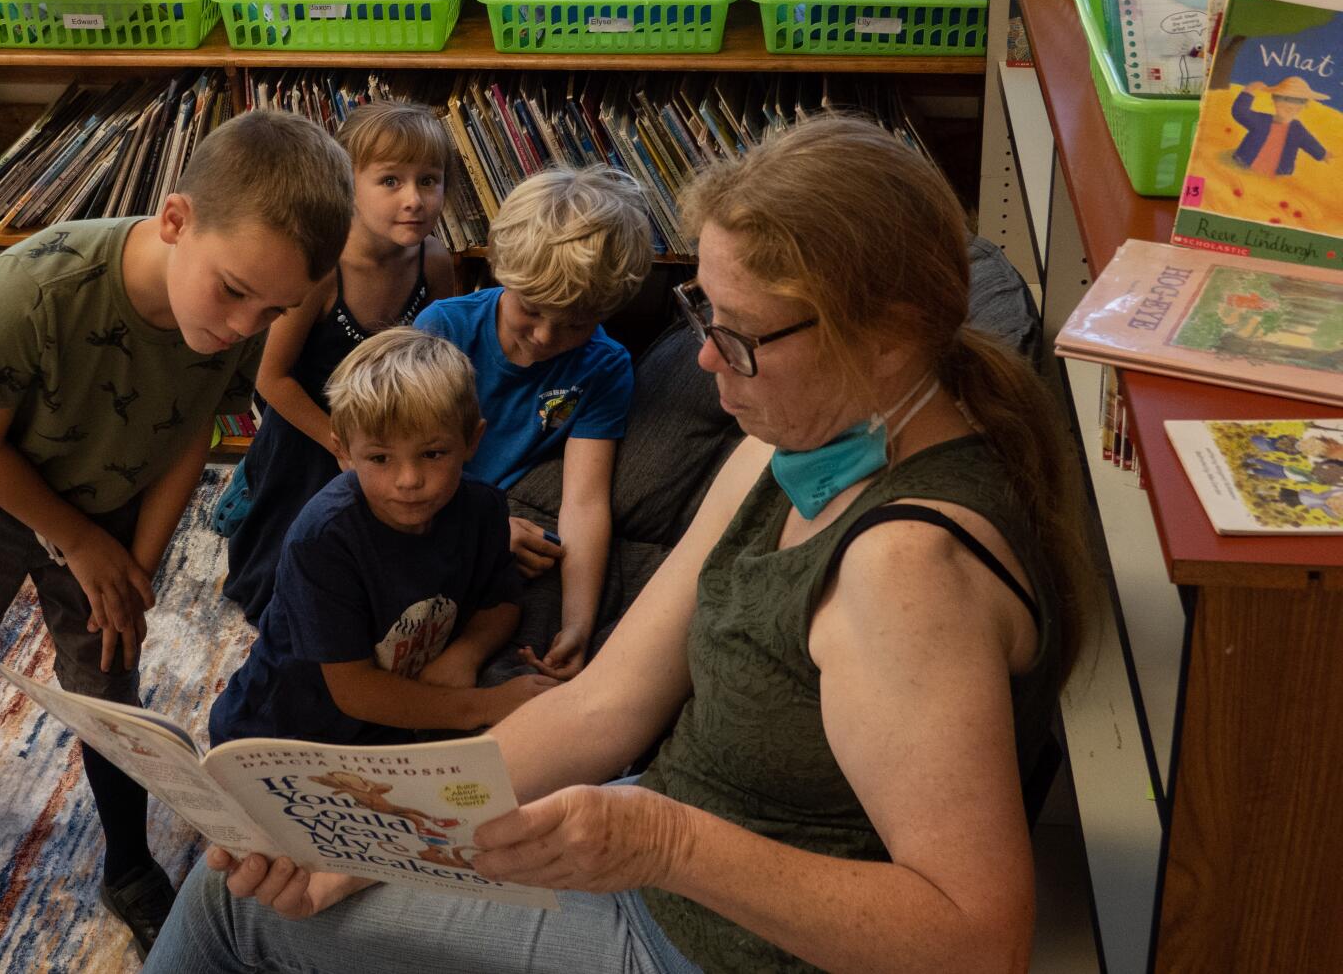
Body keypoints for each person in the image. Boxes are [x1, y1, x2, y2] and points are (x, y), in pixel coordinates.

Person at [142, 115, 1096, 974]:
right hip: (666, 859)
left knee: (229, 915)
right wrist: (377, 833)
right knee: (273, 878)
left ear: (887, 337)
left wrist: (666, 844)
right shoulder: (795, 439)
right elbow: (606, 704)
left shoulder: (906, 574)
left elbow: (978, 940)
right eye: (703, 318)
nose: (710, 358)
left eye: (744, 336)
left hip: (702, 939)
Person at [0, 110, 353, 959]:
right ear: (176, 220)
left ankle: (127, 861)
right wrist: (77, 542)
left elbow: (192, 434)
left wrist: (134, 569)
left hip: (112, 497)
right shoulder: (38, 285)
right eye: (232, 291)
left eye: (273, 312)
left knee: (111, 688)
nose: (242, 327)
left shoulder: (231, 321)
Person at [209, 329, 552, 747]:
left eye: (433, 454)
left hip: (389, 732)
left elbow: (500, 602)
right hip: (281, 733)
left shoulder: (484, 509)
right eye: (379, 458)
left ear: (472, 441)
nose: (409, 481)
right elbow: (356, 690)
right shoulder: (322, 539)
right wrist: (480, 705)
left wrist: (466, 654)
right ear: (344, 452)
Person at [221, 102, 460, 621]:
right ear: (348, 185)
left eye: (430, 180)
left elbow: (444, 357)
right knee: (298, 569)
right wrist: (341, 443)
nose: (415, 199)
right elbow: (271, 379)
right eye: (390, 181)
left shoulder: (435, 261)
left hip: (395, 431)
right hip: (312, 432)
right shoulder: (320, 271)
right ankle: (253, 493)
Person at [414, 166, 652, 682]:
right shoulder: (443, 329)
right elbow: (399, 465)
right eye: (532, 310)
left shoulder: (605, 366)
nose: (545, 337)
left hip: (497, 545)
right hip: (424, 511)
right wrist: (479, 530)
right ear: (502, 271)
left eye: (575, 323)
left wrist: (578, 624)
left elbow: (585, 501)